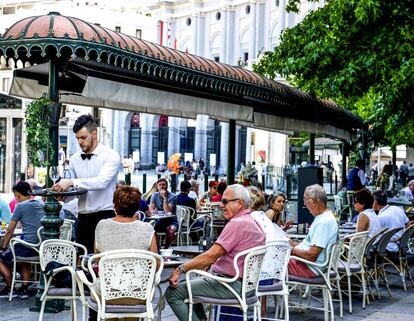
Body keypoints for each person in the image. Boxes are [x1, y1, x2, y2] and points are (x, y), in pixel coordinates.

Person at [165, 184, 266, 321]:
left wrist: (179, 269)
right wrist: (207, 263)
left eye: (225, 201)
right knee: (191, 283)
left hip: (229, 285)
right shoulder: (253, 222)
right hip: (247, 287)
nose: (221, 205)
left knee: (174, 292)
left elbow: (211, 255)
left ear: (239, 203)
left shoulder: (237, 223)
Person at [52, 114, 121, 253]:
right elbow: (76, 194)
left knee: (103, 261)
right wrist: (63, 196)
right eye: (78, 138)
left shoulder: (110, 155)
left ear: (94, 134)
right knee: (83, 262)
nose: (80, 142)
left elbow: (102, 182)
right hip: (82, 218)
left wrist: (71, 182)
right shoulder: (74, 159)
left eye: (83, 138)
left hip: (105, 216)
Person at [92, 185, 158, 321]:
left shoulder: (102, 226)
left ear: (115, 205)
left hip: (107, 293)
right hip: (138, 294)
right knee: (135, 292)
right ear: (137, 207)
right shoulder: (147, 228)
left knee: (104, 287)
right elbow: (155, 264)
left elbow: (99, 260)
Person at [0, 182, 44, 298]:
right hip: (40, 247)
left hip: (28, 247)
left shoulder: (20, 206)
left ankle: (10, 288)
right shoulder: (41, 203)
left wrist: (3, 247)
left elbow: (10, 230)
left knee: (1, 258)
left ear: (18, 195)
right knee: (22, 259)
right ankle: (24, 288)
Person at [247, 186, 286, 316]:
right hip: (272, 274)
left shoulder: (252, 219)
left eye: (283, 202)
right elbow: (271, 233)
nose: (281, 204)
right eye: (279, 201)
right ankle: (261, 312)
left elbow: (264, 235)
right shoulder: (266, 215)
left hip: (255, 278)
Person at [288, 184, 338, 278]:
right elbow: (309, 246)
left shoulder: (323, 223)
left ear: (314, 201)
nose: (305, 204)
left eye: (305, 200)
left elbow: (311, 256)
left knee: (273, 263)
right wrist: (291, 244)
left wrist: (291, 250)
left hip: (310, 268)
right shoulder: (324, 217)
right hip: (310, 265)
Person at [149, 178, 177, 248]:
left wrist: (165, 198)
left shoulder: (173, 196)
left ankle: (166, 248)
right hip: (159, 221)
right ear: (157, 186)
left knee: (171, 230)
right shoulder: (155, 195)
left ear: (167, 186)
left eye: (163, 185)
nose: (162, 186)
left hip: (171, 221)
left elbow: (168, 211)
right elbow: (151, 208)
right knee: (150, 230)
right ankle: (157, 249)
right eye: (160, 185)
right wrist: (153, 211)